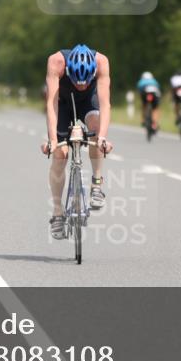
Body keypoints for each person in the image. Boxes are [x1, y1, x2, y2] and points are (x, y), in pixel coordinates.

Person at [40, 44, 113, 240]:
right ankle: (57, 212)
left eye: (85, 81)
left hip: (89, 101)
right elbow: (51, 104)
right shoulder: (56, 62)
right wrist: (53, 140)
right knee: (60, 154)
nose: (81, 85)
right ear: (68, 71)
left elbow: (105, 104)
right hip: (63, 102)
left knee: (96, 130)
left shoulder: (102, 62)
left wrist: (102, 137)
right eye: (76, 81)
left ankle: (96, 185)